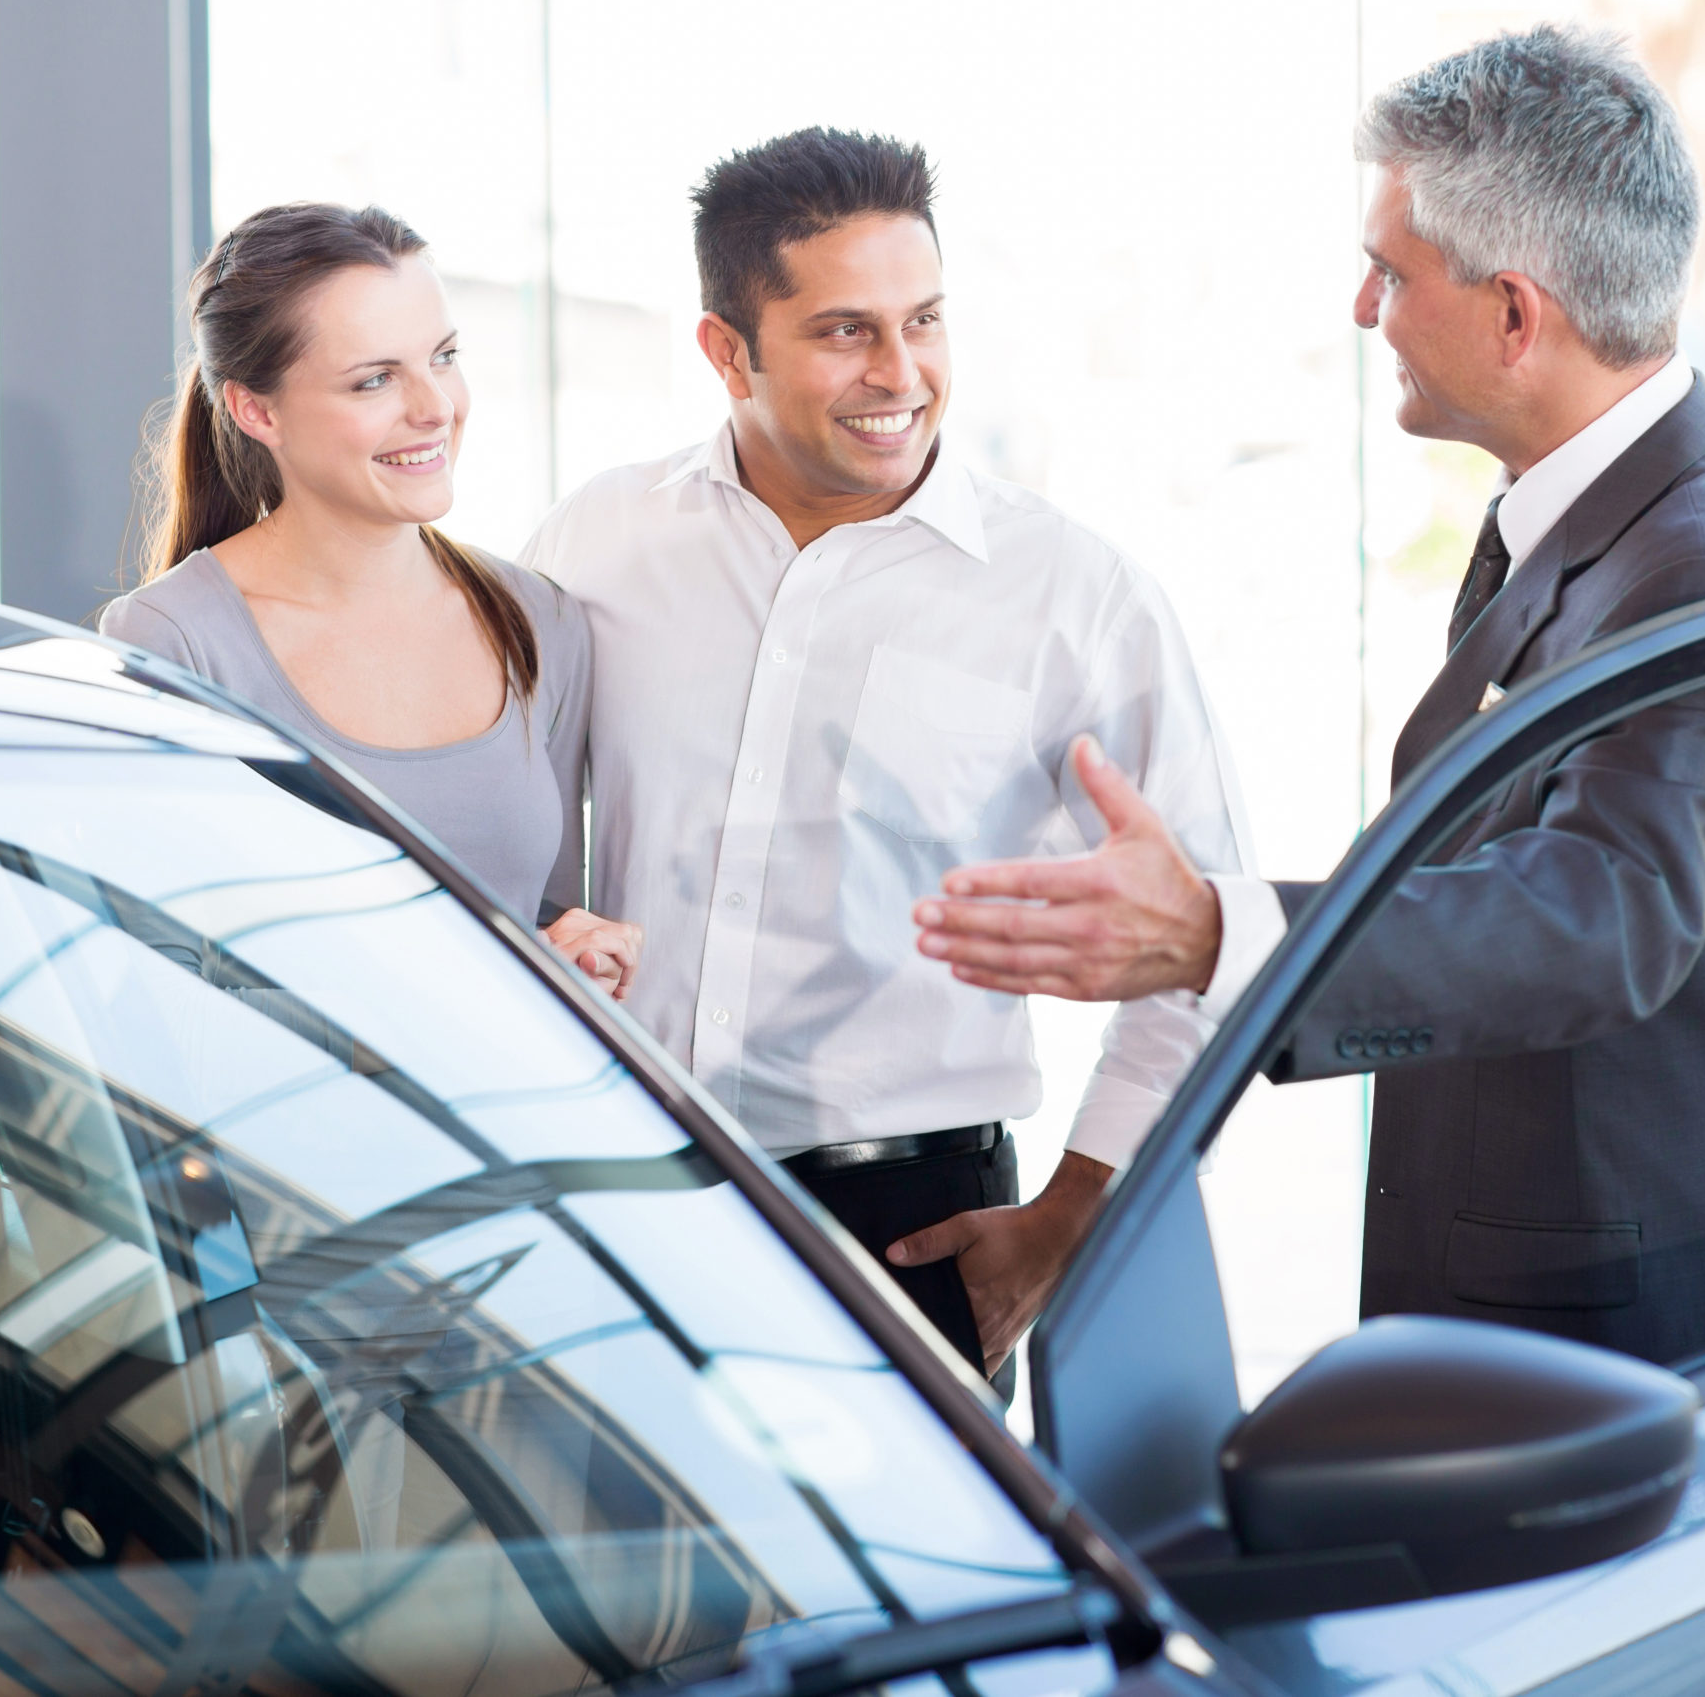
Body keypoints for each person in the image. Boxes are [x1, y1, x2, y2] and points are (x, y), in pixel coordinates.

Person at [913, 26, 1705, 1365]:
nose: (1365, 311)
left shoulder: (1704, 563)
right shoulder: (1602, 516)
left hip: (1644, 1363)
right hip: (1550, 1321)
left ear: (1517, 314)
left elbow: (1600, 916)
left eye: (1389, 271)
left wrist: (1209, 932)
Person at [519, 129, 1252, 1383]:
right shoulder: (599, 539)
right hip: (620, 1196)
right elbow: (510, 829)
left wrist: (1078, 1210)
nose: (901, 372)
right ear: (725, 351)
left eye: (924, 320)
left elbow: (1211, 939)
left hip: (911, 1229)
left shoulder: (1075, 597)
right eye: (845, 330)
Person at [101, 203, 641, 992]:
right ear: (257, 410)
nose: (436, 407)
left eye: (444, 356)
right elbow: (155, 973)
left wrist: (579, 961)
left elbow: (548, 916)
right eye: (375, 379)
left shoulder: (539, 620)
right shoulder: (173, 640)